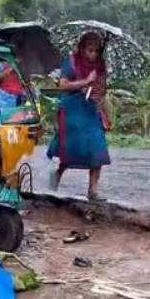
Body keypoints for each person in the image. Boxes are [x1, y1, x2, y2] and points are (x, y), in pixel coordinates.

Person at [47, 32, 111, 201]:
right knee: (71, 147)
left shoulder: (100, 66)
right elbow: (63, 85)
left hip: (91, 110)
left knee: (98, 145)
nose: (93, 54)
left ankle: (93, 190)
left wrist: (98, 91)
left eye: (96, 51)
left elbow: (101, 88)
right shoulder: (72, 62)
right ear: (82, 48)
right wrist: (84, 83)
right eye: (90, 50)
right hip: (72, 110)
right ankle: (58, 172)